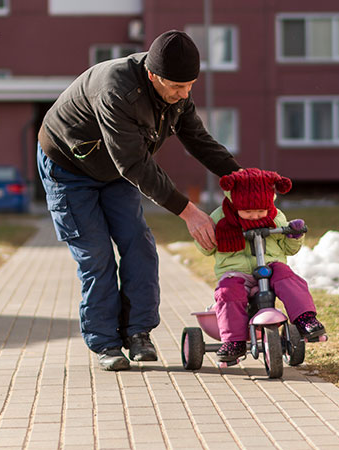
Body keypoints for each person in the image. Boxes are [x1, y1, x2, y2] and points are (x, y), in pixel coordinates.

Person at [37, 30, 241, 371]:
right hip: (69, 169)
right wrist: (188, 212)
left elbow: (198, 140)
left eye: (190, 85)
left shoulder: (177, 92)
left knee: (140, 244)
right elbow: (133, 163)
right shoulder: (116, 88)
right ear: (152, 74)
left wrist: (241, 181)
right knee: (97, 255)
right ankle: (106, 343)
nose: (184, 94)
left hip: (115, 171)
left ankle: (138, 334)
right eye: (176, 87)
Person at [195, 168, 327, 362]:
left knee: (287, 277)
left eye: (260, 211)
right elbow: (206, 249)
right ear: (235, 203)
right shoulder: (221, 218)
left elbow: (289, 249)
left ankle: (305, 318)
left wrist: (294, 235)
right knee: (227, 292)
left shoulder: (275, 217)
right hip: (235, 272)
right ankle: (234, 341)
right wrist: (209, 237)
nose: (255, 216)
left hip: (270, 265)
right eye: (248, 212)